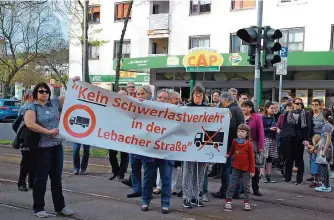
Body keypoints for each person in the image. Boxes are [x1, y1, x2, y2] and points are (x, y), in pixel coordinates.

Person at [24, 82, 73, 218]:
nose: (44, 93)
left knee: (57, 177)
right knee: (41, 177)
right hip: (41, 148)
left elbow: (71, 96)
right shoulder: (32, 107)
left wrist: (74, 82)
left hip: (56, 146)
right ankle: (39, 207)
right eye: (41, 91)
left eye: (46, 91)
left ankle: (60, 207)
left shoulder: (54, 103)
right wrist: (48, 131)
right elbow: (30, 124)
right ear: (36, 93)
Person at [141, 89, 174, 214]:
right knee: (148, 178)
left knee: (166, 178)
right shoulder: (148, 110)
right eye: (160, 97)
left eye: (165, 98)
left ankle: (165, 203)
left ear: (169, 100)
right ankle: (145, 201)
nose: (162, 100)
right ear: (156, 98)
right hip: (150, 151)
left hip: (167, 152)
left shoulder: (175, 112)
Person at [212, 92, 244, 199]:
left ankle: (225, 190)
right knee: (236, 168)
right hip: (239, 143)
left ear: (225, 100)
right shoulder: (238, 109)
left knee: (226, 168)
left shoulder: (230, 110)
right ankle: (236, 190)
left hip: (229, 144)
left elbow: (230, 128)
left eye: (222, 101)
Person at [182, 86, 208, 208]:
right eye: (196, 94)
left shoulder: (208, 109)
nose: (198, 96)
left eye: (200, 94)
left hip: (204, 144)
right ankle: (186, 197)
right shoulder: (187, 107)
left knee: (201, 171)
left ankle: (195, 196)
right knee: (188, 170)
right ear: (192, 95)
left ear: (203, 95)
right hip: (189, 143)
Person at [154, 91, 180, 196]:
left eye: (178, 99)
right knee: (160, 165)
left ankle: (172, 187)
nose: (177, 101)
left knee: (174, 166)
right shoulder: (155, 108)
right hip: (160, 141)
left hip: (174, 142)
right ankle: (159, 186)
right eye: (175, 99)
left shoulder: (179, 110)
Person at [224, 124, 255, 211]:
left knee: (246, 187)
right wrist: (229, 154)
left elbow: (252, 158)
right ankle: (228, 201)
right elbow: (232, 150)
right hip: (236, 167)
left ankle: (247, 202)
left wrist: (252, 170)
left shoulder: (249, 144)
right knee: (232, 185)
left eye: (242, 131)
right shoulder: (235, 141)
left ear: (247, 133)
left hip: (246, 169)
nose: (240, 133)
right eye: (239, 131)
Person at [283, 98, 309, 185]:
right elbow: (285, 126)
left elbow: (306, 128)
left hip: (300, 138)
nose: (299, 105)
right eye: (297, 103)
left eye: (300, 103)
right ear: (293, 104)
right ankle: (287, 178)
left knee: (299, 159)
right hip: (290, 138)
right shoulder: (288, 113)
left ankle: (299, 180)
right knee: (289, 158)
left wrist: (306, 139)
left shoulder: (305, 114)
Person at [241, 101, 264, 196]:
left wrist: (260, 146)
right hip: (241, 144)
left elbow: (261, 132)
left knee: (255, 167)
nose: (243, 109)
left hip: (253, 143)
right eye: (242, 107)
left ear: (251, 108)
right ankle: (242, 188)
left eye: (245, 107)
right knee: (242, 167)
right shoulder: (240, 116)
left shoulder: (257, 117)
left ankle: (255, 188)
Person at [109, 90, 131, 181]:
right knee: (112, 154)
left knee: (124, 155)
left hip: (125, 134)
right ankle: (115, 171)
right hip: (113, 134)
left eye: (123, 96)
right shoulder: (113, 106)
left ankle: (121, 173)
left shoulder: (131, 106)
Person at [17, 90, 35, 192]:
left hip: (33, 139)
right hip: (26, 140)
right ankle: (22, 183)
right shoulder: (25, 108)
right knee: (26, 162)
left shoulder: (35, 106)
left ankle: (32, 182)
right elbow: (19, 124)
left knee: (33, 162)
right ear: (29, 97)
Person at [314, 108, 333, 192]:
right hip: (324, 148)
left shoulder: (327, 125)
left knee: (324, 167)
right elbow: (323, 138)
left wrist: (324, 150)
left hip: (325, 149)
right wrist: (316, 146)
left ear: (323, 116)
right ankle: (325, 185)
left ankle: (326, 186)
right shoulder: (328, 124)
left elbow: (328, 139)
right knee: (324, 167)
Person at [306, 99, 325, 182]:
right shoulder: (309, 114)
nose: (314, 106)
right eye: (312, 104)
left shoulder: (323, 114)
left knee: (320, 157)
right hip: (311, 138)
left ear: (320, 105)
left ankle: (321, 176)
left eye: (316, 104)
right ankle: (313, 175)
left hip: (321, 138)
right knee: (311, 157)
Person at [261, 102, 278, 183]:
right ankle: (263, 175)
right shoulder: (262, 117)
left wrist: (276, 129)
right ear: (266, 108)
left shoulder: (274, 117)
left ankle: (269, 175)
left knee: (270, 158)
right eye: (271, 108)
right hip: (265, 138)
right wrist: (269, 129)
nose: (273, 110)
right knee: (264, 158)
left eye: (274, 108)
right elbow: (260, 129)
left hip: (272, 139)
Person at [207, 90, 222, 180]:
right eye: (213, 96)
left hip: (219, 132)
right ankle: (214, 170)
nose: (215, 97)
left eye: (216, 96)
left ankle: (219, 171)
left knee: (218, 150)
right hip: (212, 131)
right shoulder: (211, 106)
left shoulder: (222, 106)